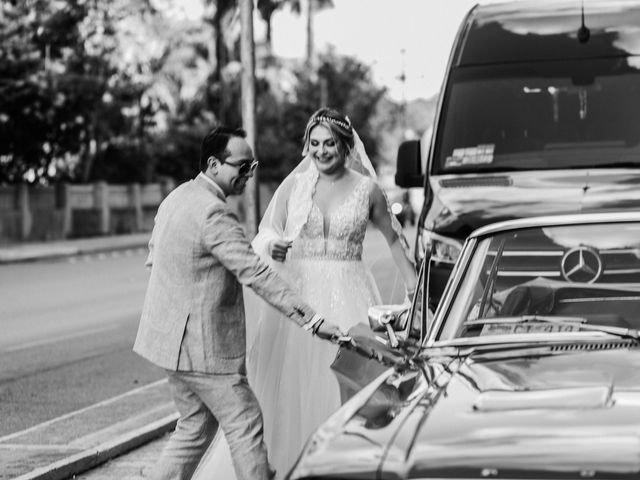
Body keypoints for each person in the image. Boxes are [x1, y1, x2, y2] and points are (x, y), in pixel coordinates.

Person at [133, 126, 343, 480]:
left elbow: (155, 259)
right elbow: (257, 275)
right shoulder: (214, 214)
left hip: (169, 344)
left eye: (252, 166)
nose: (248, 174)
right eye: (242, 167)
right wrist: (314, 320)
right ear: (215, 165)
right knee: (245, 423)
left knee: (194, 429)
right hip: (204, 349)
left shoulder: (177, 197)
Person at [246, 108, 418, 477]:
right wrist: (273, 245)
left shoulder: (366, 189)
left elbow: (395, 243)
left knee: (348, 383)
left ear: (345, 146)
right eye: (315, 144)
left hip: (350, 295)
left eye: (330, 144)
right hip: (302, 299)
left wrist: (416, 294)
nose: (322, 151)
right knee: (293, 387)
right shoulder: (294, 186)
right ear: (306, 146)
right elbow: (266, 232)